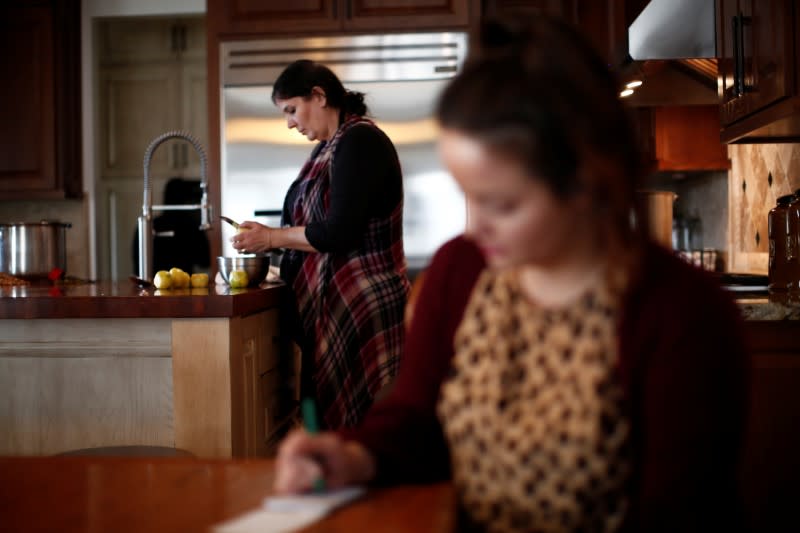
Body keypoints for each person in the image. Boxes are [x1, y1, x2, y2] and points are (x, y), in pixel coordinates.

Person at [271, 15, 749, 532]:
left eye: (501, 203)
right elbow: (415, 418)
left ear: (587, 179)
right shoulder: (461, 269)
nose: (476, 227)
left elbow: (672, 513)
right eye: (468, 196)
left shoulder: (684, 313)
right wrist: (356, 457)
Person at [231, 60, 410, 429]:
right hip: (338, 307)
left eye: (292, 110)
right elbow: (316, 228)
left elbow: (337, 233)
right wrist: (270, 241)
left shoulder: (360, 141)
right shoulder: (332, 147)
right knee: (332, 423)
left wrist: (271, 237)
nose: (290, 123)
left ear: (319, 95)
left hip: (361, 306)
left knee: (361, 424)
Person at [131, 177, 211, 275]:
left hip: (154, 285)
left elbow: (137, 265)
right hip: (183, 285)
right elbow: (205, 262)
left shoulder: (150, 225)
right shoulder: (191, 225)